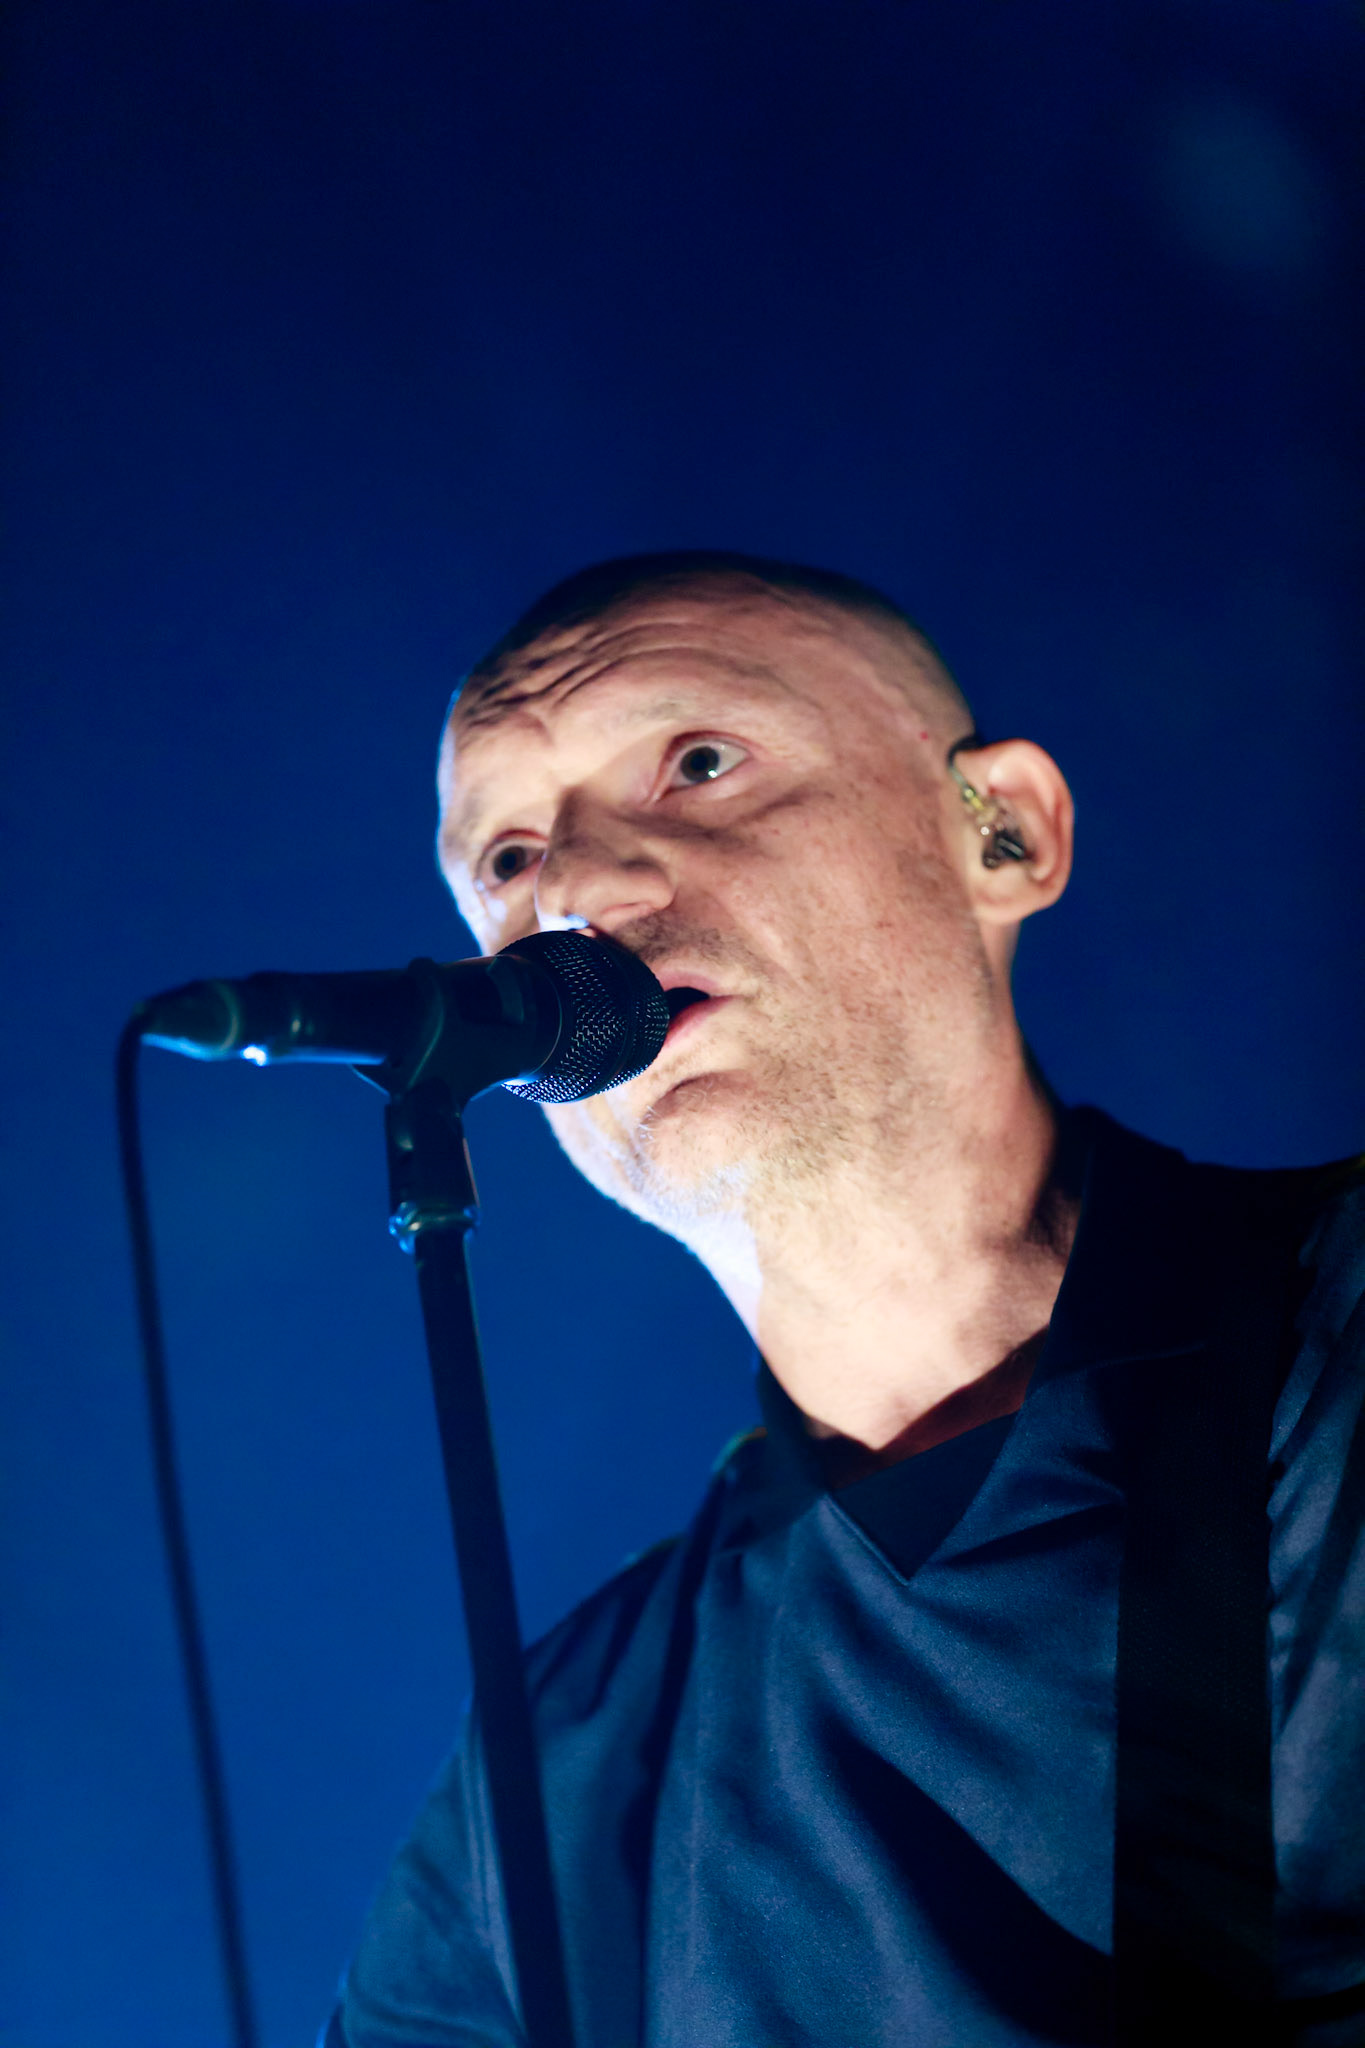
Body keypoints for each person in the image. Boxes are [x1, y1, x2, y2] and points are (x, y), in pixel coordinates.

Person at [324, 553, 1365, 2047]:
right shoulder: (557, 1778)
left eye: (696, 762)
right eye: (501, 861)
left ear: (999, 832)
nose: (572, 891)